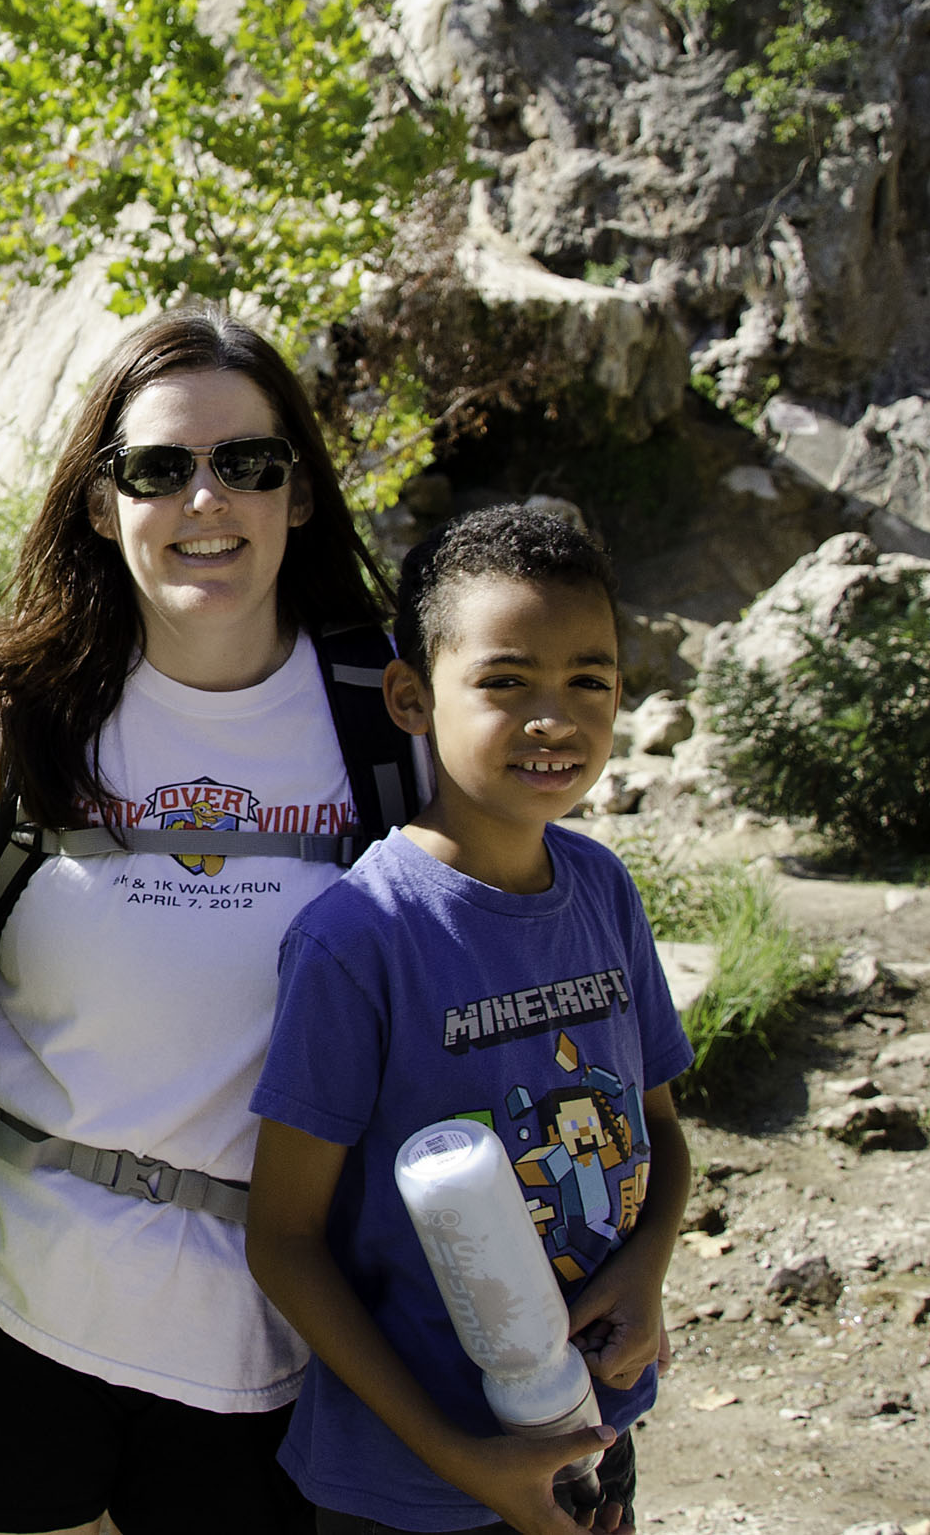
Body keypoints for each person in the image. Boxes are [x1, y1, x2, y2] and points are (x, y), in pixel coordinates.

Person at [0, 310, 409, 1535]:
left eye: (248, 463)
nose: (205, 497)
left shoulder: (392, 721)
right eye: (160, 468)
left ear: (300, 493)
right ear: (104, 504)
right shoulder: (1, 715)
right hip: (7, 1302)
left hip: (269, 1336)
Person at [243, 506, 695, 1535]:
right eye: (504, 681)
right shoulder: (360, 936)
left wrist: (647, 1264)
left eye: (590, 680)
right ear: (412, 695)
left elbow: (660, 1133)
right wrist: (459, 1456)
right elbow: (284, 1239)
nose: (555, 718)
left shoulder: (603, 892)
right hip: (414, 1483)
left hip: (596, 1432)